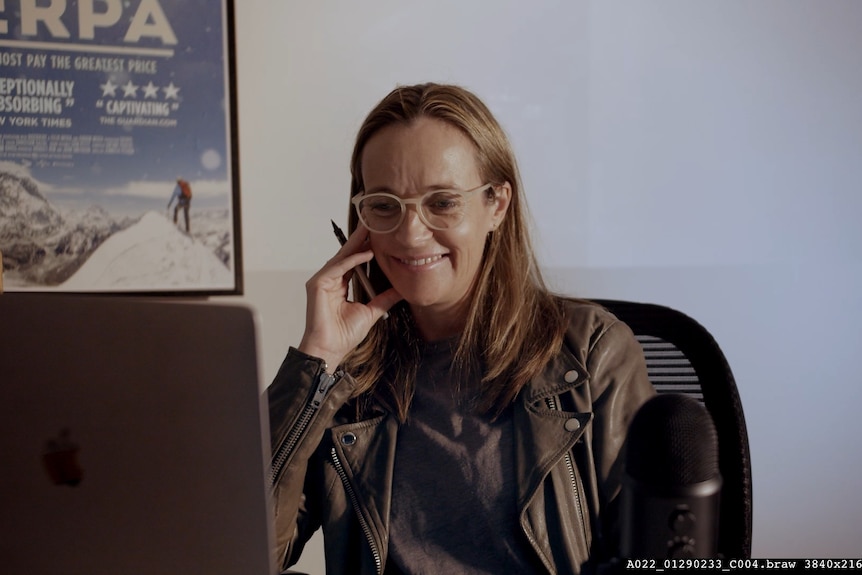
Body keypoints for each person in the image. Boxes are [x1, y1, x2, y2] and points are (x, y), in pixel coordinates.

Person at [267, 83, 654, 575]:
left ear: (496, 204)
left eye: (443, 202)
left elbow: (654, 555)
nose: (410, 234)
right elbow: (238, 548)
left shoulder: (592, 351)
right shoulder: (344, 377)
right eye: (385, 205)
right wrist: (315, 360)